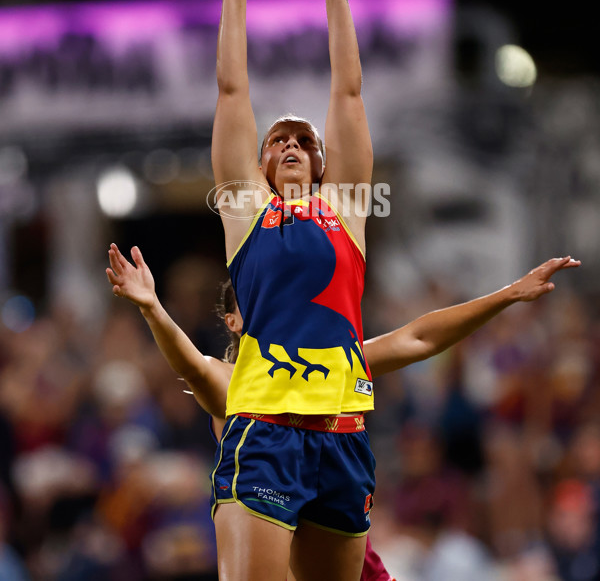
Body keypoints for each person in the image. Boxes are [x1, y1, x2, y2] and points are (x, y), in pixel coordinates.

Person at [106, 243, 580, 581]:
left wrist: (508, 295)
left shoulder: (333, 363)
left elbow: (417, 337)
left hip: (342, 548)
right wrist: (151, 308)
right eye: (259, 297)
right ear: (232, 319)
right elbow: (189, 364)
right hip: (278, 554)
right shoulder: (230, 380)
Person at [200, 0, 375, 581]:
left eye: (305, 141)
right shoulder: (244, 211)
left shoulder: (347, 209)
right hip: (266, 430)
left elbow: (350, 93)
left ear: (324, 165)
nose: (293, 146)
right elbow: (232, 87)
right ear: (261, 166)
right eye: (279, 141)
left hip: (343, 436)